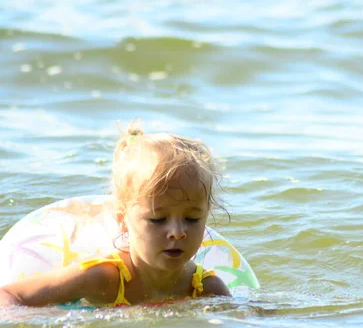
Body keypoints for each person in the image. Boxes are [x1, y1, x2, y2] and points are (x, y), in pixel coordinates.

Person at [0, 123, 231, 307]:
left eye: (192, 219)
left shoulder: (206, 288)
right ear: (122, 218)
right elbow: (11, 295)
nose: (177, 232)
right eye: (157, 219)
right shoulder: (102, 277)